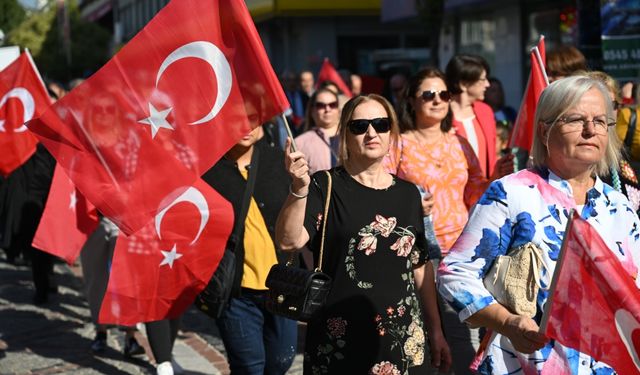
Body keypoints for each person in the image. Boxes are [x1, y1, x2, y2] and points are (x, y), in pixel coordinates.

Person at [437, 75, 640, 374]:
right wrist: (507, 322)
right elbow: (454, 273)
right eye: (575, 120)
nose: (590, 130)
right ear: (545, 130)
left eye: (600, 121)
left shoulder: (619, 205)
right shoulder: (512, 192)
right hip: (527, 363)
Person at [276, 94, 451, 374]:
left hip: (403, 338)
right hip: (340, 338)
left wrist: (436, 330)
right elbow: (289, 241)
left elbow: (419, 268)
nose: (372, 133)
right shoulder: (324, 185)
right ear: (345, 133)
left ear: (391, 132)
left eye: (381, 124)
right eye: (360, 126)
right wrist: (298, 189)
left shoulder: (407, 194)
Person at [384, 67, 513, 375]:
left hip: (464, 252)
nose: (438, 100)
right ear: (412, 100)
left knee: (463, 333)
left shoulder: (459, 143)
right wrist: (409, 205)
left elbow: (473, 192)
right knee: (435, 336)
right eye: (428, 94)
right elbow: (381, 191)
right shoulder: (398, 143)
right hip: (419, 252)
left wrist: (495, 179)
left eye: (444, 94)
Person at [201, 121, 297, 374]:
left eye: (254, 119)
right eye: (237, 118)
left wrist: (301, 183)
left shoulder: (280, 161)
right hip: (235, 291)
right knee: (249, 366)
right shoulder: (207, 169)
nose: (246, 126)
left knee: (281, 361)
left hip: (282, 286)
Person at [587, 70, 640, 215]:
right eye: (597, 103)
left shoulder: (619, 154)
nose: (605, 110)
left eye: (611, 104)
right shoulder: (582, 157)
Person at [446, 54, 498, 179]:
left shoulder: (485, 111)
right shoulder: (442, 113)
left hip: (484, 191)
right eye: (482, 80)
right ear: (463, 84)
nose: (487, 85)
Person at [295, 88, 341, 173]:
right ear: (312, 110)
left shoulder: (353, 136)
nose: (327, 109)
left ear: (338, 109)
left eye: (332, 104)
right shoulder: (300, 143)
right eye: (321, 105)